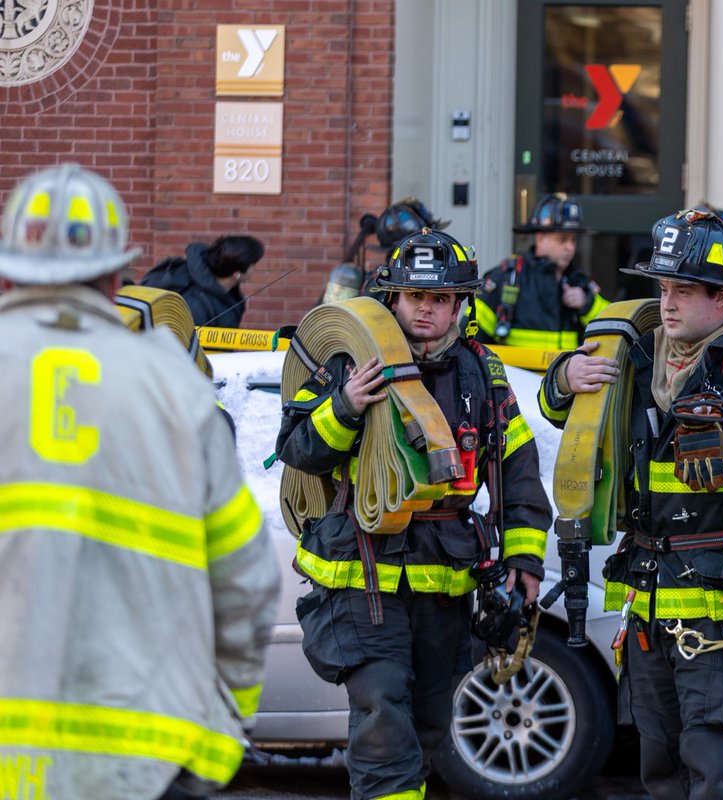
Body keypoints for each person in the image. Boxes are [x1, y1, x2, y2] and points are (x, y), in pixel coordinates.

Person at [0, 163, 280, 800]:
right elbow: (247, 581)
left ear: (9, 271)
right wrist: (220, 732)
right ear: (115, 277)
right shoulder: (176, 389)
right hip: (144, 765)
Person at [539, 209, 723, 800]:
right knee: (662, 769)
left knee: (722, 768)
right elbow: (569, 416)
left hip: (722, 607)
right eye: (662, 288)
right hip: (650, 602)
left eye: (683, 290)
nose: (667, 303)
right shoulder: (643, 357)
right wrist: (565, 377)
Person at [276, 227, 551, 800]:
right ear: (392, 299)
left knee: (427, 721)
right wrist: (346, 405)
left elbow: (517, 467)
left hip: (444, 579)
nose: (425, 310)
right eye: (414, 297)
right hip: (362, 573)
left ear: (459, 305)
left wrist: (524, 556)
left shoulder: (481, 373)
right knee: (381, 711)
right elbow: (298, 449)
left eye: (440, 299)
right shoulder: (352, 360)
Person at [474, 192, 609, 348]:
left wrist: (587, 304)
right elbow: (470, 340)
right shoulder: (505, 278)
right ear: (539, 238)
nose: (570, 247)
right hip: (514, 373)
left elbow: (611, 327)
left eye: (573, 240)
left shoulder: (579, 281)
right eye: (562, 240)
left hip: (567, 373)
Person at [140, 233, 264, 328]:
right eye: (253, 264)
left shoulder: (230, 293)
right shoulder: (195, 305)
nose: (255, 268)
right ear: (236, 274)